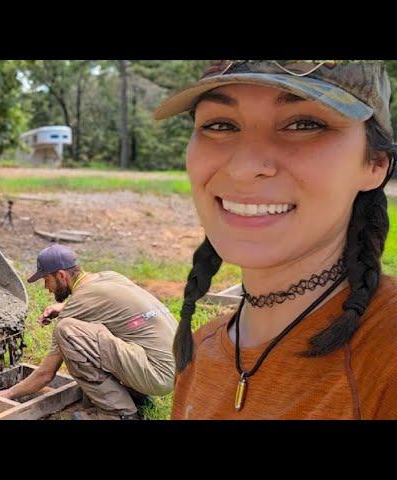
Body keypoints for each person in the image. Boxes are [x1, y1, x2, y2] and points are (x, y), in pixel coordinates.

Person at [152, 60, 397, 419]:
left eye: (304, 124)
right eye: (220, 125)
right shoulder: (201, 350)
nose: (243, 167)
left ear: (375, 163)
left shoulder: (386, 353)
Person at [0, 244, 177, 420]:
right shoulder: (110, 276)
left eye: (47, 280)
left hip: (158, 375)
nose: (46, 287)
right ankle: (136, 396)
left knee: (66, 331)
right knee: (108, 328)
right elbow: (101, 302)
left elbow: (45, 374)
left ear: (61, 275)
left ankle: (118, 413)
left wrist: (9, 393)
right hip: (180, 370)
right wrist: (63, 306)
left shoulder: (80, 303)